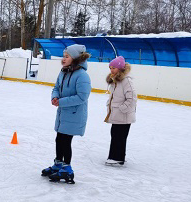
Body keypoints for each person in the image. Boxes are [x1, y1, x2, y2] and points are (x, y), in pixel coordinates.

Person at [41, 44, 92, 183]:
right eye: (63, 56)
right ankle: (58, 164)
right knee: (59, 139)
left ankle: (67, 169)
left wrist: (61, 102)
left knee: (66, 141)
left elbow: (82, 97)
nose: (63, 59)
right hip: (63, 113)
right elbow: (56, 87)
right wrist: (55, 97)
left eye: (67, 56)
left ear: (75, 58)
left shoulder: (82, 76)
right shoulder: (63, 72)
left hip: (75, 114)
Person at [104, 55, 136, 166]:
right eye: (110, 68)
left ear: (120, 68)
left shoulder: (126, 81)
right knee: (115, 134)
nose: (111, 70)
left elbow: (131, 98)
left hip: (124, 115)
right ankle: (115, 156)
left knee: (119, 136)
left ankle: (117, 158)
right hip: (117, 114)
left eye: (113, 68)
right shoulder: (115, 80)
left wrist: (122, 109)